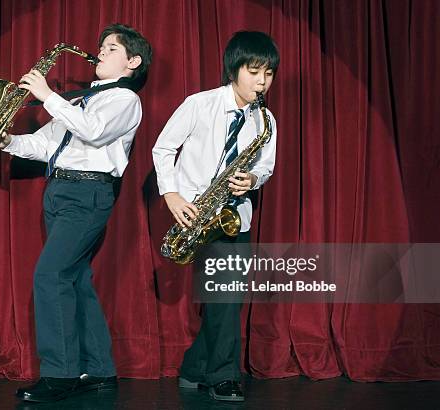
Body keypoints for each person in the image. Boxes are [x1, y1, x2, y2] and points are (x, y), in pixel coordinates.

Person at [0, 23, 152, 403]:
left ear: (132, 61)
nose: (101, 51)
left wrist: (48, 94)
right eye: (102, 46)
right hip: (60, 191)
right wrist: (5, 140)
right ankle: (99, 370)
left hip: (88, 192)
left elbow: (94, 132)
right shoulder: (83, 99)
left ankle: (60, 374)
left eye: (112, 48)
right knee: (76, 280)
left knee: (50, 276)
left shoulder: (124, 100)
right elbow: (44, 144)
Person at [152, 31, 279, 402]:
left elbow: (266, 166)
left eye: (268, 73)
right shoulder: (199, 104)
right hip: (196, 213)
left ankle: (199, 369)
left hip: (234, 217)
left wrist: (253, 177)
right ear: (233, 69)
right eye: (254, 71)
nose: (261, 81)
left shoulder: (265, 120)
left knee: (227, 299)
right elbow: (163, 148)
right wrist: (172, 195)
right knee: (224, 299)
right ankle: (218, 374)